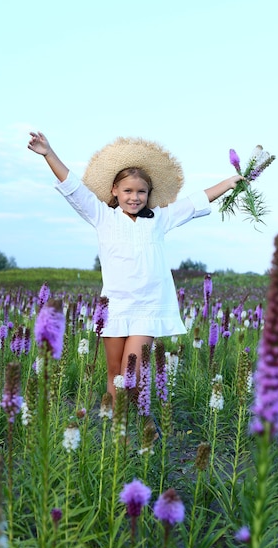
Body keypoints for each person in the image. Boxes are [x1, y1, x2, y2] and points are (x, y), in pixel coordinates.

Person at [28, 131, 243, 401]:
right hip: (115, 306)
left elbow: (193, 203)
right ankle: (117, 430)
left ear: (149, 194)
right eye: (127, 191)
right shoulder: (102, 216)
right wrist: (49, 153)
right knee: (115, 373)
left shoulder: (159, 219)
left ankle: (133, 422)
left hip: (147, 307)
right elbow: (74, 188)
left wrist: (227, 183)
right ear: (114, 191)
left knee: (135, 374)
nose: (134, 197)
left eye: (141, 192)